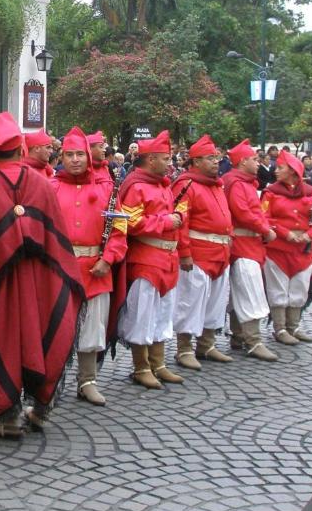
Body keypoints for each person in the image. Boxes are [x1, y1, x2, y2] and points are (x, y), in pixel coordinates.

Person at [0, 113, 85, 436]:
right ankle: (40, 410)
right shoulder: (42, 184)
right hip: (41, 280)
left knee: (4, 337)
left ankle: (8, 418)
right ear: (21, 149)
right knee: (44, 331)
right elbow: (58, 238)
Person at [52, 127, 126, 407]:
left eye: (79, 154)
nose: (75, 160)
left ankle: (87, 381)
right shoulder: (51, 186)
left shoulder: (107, 188)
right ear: (62, 156)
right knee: (59, 328)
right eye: (69, 154)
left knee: (93, 328)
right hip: (61, 270)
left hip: (96, 268)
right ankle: (52, 381)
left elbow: (120, 228)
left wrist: (108, 259)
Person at [117, 130, 184, 390]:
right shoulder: (136, 186)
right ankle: (141, 366)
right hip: (146, 259)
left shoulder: (162, 185)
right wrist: (166, 221)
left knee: (162, 314)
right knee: (143, 314)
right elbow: (131, 222)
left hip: (167, 258)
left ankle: (158, 363)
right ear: (151, 159)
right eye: (165, 158)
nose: (170, 163)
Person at [171, 135, 234, 372]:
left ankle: (206, 344)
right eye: (210, 158)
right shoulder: (186, 185)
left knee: (215, 302)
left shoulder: (216, 186)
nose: (216, 162)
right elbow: (181, 222)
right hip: (198, 254)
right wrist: (185, 253)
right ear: (196, 162)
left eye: (217, 157)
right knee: (191, 301)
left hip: (220, 252)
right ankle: (184, 348)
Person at [262, 151, 312, 346]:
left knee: (299, 287)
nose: (276, 171)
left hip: (303, 249)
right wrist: (285, 233)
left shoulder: (311, 193)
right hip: (278, 249)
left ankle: (294, 326)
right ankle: (280, 328)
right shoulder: (270, 193)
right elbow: (264, 217)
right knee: (278, 288)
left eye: (280, 168)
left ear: (292, 171)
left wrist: (310, 234)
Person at [223, 139, 278, 362]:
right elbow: (243, 212)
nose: (258, 163)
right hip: (243, 246)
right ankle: (252, 340)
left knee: (242, 291)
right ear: (243, 161)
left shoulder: (241, 182)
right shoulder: (237, 183)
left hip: (249, 245)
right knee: (249, 290)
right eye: (254, 159)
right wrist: (265, 229)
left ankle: (239, 336)